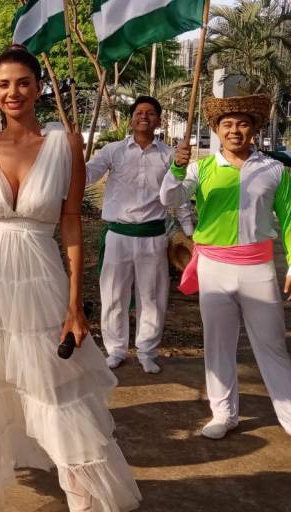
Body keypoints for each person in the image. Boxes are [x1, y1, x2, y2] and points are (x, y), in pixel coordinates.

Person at [0, 46, 141, 511]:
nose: (12, 92)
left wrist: (75, 304)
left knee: (60, 400)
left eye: (22, 82)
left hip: (41, 282)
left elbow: (70, 224)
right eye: (3, 84)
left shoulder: (66, 145)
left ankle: (84, 504)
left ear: (39, 88)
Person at [161, 94, 291, 456]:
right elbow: (169, 199)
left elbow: (290, 221)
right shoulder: (201, 169)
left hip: (257, 268)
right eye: (227, 125)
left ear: (254, 129)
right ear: (217, 130)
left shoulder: (273, 170)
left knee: (271, 345)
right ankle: (223, 414)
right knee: (218, 344)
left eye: (242, 124)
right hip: (213, 266)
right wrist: (176, 168)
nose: (235, 130)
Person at [85, 95, 195, 374]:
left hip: (153, 236)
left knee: (153, 296)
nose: (144, 116)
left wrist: (190, 231)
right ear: (131, 118)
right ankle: (116, 349)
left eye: (150, 113)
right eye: (139, 112)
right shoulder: (113, 151)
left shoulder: (170, 155)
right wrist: (75, 157)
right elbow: (87, 176)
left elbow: (179, 197)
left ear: (159, 120)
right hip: (118, 234)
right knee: (113, 294)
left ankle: (147, 350)